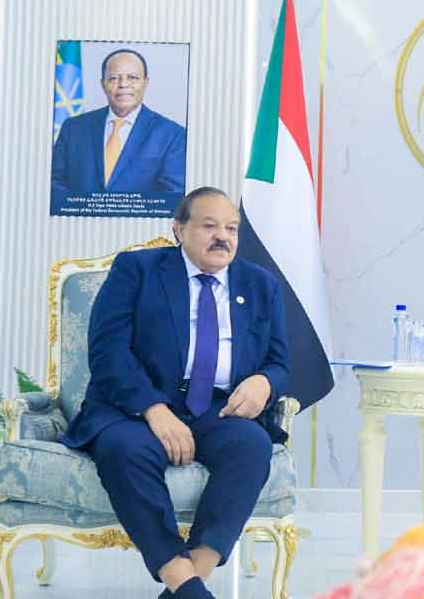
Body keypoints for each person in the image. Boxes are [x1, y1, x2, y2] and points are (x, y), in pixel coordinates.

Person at [61, 187, 289, 599]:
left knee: (252, 445)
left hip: (217, 409)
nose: (223, 237)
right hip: (134, 406)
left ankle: (187, 585)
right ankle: (187, 585)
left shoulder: (260, 285)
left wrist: (265, 382)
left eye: (232, 228)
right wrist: (153, 409)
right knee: (124, 450)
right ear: (179, 229)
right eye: (210, 226)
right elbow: (107, 351)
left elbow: (280, 362)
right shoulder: (138, 269)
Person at [51, 48, 186, 195]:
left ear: (145, 82)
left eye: (132, 77)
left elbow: (172, 194)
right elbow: (55, 183)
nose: (123, 84)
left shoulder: (173, 135)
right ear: (103, 84)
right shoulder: (73, 128)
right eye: (114, 78)